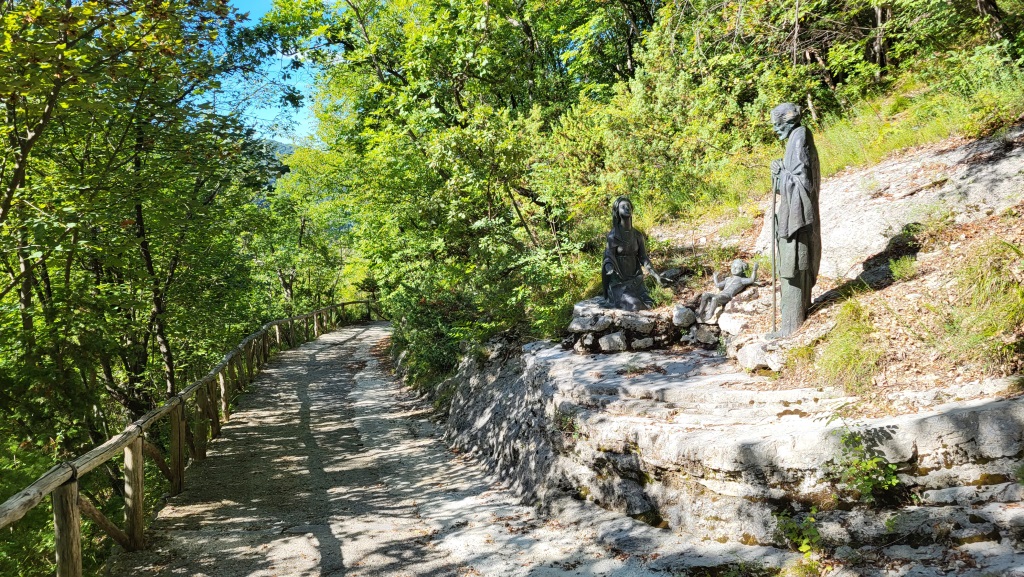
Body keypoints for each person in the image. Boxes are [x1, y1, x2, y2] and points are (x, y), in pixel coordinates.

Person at [769, 103, 821, 337]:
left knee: (792, 267)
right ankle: (793, 320)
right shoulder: (797, 137)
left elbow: (803, 184)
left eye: (776, 124)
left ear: (787, 121)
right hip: (792, 215)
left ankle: (791, 326)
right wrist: (780, 174)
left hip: (796, 221)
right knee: (792, 265)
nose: (775, 129)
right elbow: (794, 180)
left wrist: (780, 174)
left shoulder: (800, 138)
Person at [602, 197, 663, 311]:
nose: (627, 208)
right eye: (623, 207)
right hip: (619, 283)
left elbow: (643, 257)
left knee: (651, 303)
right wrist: (609, 267)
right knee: (635, 305)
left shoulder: (637, 235)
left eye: (629, 206)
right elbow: (608, 257)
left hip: (636, 281)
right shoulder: (613, 236)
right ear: (617, 211)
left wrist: (656, 274)